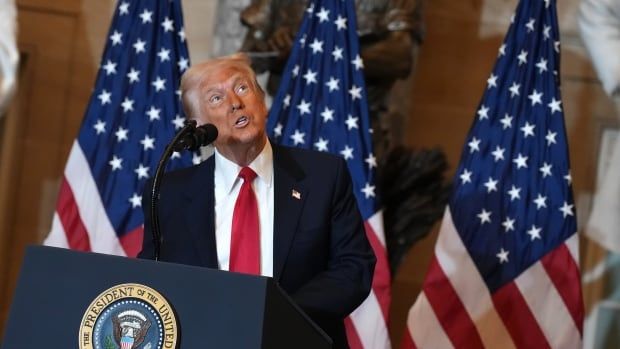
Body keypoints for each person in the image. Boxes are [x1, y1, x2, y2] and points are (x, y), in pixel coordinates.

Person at [138, 53, 375, 348]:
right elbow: (152, 281)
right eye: (216, 98)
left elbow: (354, 268)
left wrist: (278, 317)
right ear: (200, 126)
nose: (235, 102)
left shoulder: (323, 176)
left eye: (242, 88)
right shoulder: (168, 193)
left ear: (261, 102)